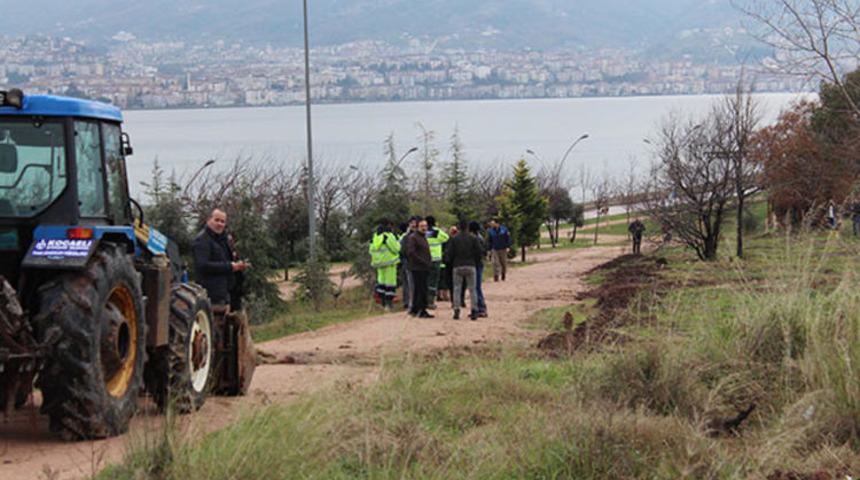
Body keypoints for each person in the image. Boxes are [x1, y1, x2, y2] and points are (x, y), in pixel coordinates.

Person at [192, 209, 249, 307]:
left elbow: (226, 259)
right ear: (209, 220)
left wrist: (237, 264)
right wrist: (231, 267)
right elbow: (203, 266)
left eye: (223, 221)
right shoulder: (201, 240)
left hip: (228, 293)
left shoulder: (223, 239)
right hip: (212, 295)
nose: (220, 224)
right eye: (217, 220)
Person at [444, 220, 482, 320]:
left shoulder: (454, 239)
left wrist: (451, 263)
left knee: (457, 288)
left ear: (459, 227)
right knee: (472, 289)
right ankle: (474, 310)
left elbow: (449, 253)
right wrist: (476, 262)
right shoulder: (473, 238)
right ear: (468, 227)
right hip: (470, 264)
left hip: (457, 265)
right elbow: (479, 252)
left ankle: (456, 309)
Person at [369, 219, 401, 311]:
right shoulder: (388, 236)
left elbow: (370, 250)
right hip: (390, 263)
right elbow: (396, 249)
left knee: (381, 283)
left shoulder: (375, 237)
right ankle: (389, 304)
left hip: (379, 263)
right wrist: (398, 243)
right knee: (390, 284)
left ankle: (383, 303)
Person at [405, 219, 434, 318]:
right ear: (417, 227)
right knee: (420, 289)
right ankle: (421, 310)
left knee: (421, 289)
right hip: (418, 268)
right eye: (422, 226)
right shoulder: (414, 238)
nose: (424, 228)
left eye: (425, 226)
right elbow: (411, 253)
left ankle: (416, 309)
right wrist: (423, 261)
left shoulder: (423, 237)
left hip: (424, 267)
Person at [424, 216, 450, 308]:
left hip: (425, 259)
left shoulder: (424, 232)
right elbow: (446, 237)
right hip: (436, 259)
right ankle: (430, 301)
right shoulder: (437, 232)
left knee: (425, 280)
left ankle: (424, 301)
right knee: (433, 281)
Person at [398, 218, 418, 311]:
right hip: (409, 263)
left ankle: (410, 303)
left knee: (410, 284)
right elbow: (402, 251)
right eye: (412, 224)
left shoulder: (406, 237)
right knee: (410, 284)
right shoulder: (406, 237)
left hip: (415, 264)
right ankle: (409, 303)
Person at [469, 220, 488, 317]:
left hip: (477, 264)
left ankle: (481, 308)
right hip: (478, 264)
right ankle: (477, 307)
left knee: (476, 287)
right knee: (475, 287)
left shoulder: (476, 239)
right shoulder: (480, 237)